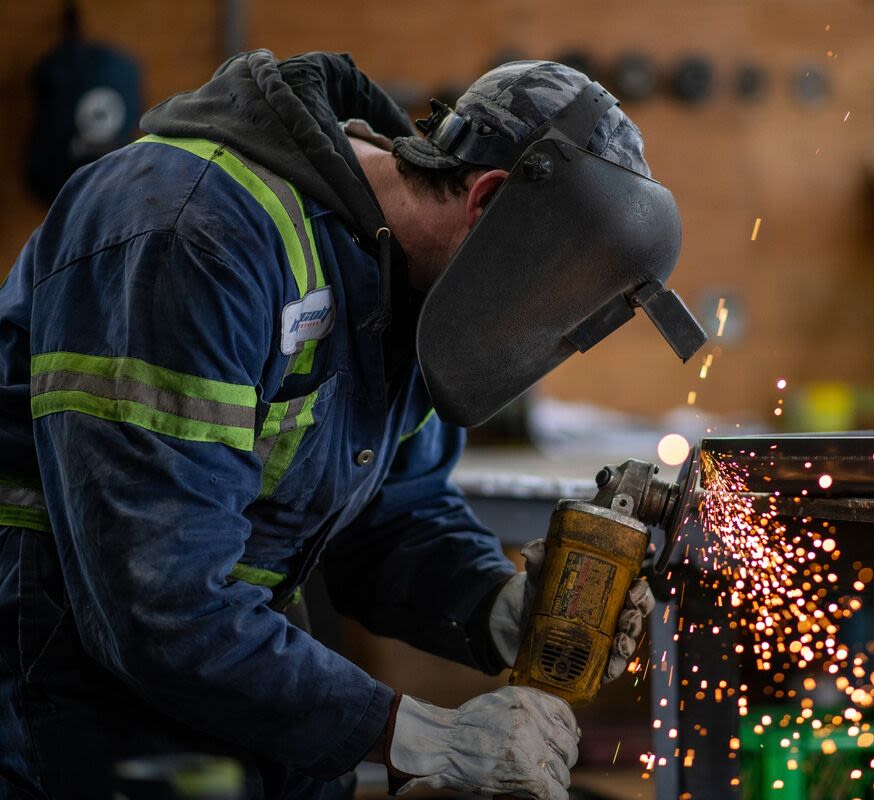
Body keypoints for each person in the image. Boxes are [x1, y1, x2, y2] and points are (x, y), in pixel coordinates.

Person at [0, 50, 705, 799]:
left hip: (229, 684)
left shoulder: (406, 285)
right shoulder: (193, 233)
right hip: (55, 692)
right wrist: (420, 735)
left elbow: (394, 517)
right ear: (489, 199)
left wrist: (497, 607)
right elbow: (158, 601)